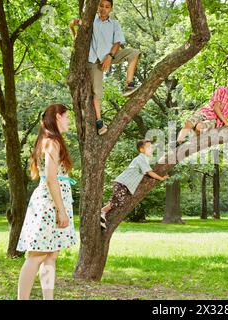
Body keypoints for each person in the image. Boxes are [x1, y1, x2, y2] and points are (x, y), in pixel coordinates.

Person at [17, 104, 77, 300]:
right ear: (58, 117)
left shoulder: (50, 141)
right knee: (36, 256)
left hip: (54, 202)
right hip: (49, 205)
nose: (69, 121)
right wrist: (61, 211)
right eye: (67, 117)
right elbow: (51, 179)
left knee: (51, 255)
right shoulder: (52, 142)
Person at [70, 0, 141, 135]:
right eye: (101, 6)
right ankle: (100, 123)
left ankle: (129, 85)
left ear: (111, 9)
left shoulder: (114, 24)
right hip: (95, 60)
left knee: (134, 53)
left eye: (107, 7)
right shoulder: (90, 21)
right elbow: (77, 41)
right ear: (97, 7)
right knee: (97, 92)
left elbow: (117, 42)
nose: (103, 9)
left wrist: (110, 57)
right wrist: (71, 27)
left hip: (111, 55)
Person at [100, 139, 168, 229]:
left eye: (151, 147)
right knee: (119, 201)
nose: (151, 149)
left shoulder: (144, 159)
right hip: (122, 183)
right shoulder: (141, 158)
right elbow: (150, 172)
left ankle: (102, 217)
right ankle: (102, 211)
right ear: (141, 150)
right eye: (148, 147)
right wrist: (161, 178)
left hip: (124, 184)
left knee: (116, 200)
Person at [176, 75, 228, 145]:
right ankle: (178, 143)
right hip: (205, 111)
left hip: (214, 119)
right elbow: (216, 107)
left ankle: (196, 140)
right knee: (189, 123)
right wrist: (227, 123)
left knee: (199, 127)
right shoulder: (221, 90)